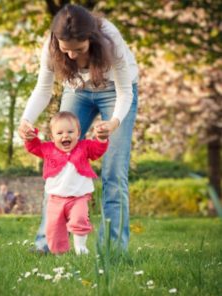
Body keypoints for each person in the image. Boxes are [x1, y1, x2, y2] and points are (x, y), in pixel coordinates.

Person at [18, 4, 138, 252]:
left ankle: (113, 250)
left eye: (79, 49)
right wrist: (26, 120)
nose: (71, 56)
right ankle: (47, 244)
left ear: (92, 39)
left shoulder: (110, 39)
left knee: (114, 173)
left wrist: (114, 123)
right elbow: (43, 89)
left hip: (115, 92)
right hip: (78, 91)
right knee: (57, 163)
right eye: (66, 50)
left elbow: (125, 92)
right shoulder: (52, 44)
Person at [24, 111, 108, 254]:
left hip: (78, 197)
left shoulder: (84, 147)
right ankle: (59, 254)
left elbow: (97, 150)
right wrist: (30, 138)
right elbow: (34, 147)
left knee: (79, 219)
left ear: (78, 133)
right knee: (53, 228)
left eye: (70, 131)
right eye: (60, 133)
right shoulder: (48, 149)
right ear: (52, 137)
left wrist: (101, 139)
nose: (65, 136)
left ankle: (80, 248)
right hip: (55, 199)